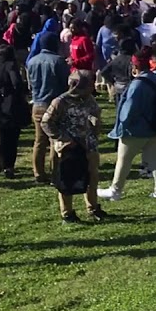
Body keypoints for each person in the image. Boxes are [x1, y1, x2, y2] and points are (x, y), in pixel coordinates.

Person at [98, 45, 156, 201]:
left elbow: (129, 109)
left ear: (135, 66)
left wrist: (122, 127)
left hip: (135, 130)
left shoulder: (137, 84)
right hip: (154, 127)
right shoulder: (155, 78)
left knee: (123, 161)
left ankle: (115, 190)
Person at [40, 71, 107, 223]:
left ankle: (93, 208)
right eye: (89, 85)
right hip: (67, 147)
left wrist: (95, 126)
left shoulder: (89, 99)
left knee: (92, 177)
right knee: (67, 180)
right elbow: (46, 122)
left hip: (88, 145)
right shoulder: (60, 102)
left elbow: (95, 112)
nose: (92, 88)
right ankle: (67, 213)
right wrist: (63, 138)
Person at [27, 32, 69, 185]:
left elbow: (30, 84)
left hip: (37, 103)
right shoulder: (58, 61)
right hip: (54, 104)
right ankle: (55, 173)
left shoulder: (32, 61)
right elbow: (65, 84)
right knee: (55, 140)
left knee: (39, 140)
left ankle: (38, 172)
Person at [0, 44, 29, 179]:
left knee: (1, 137)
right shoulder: (10, 66)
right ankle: (9, 166)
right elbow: (17, 83)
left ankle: (0, 161)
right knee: (12, 139)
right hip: (11, 106)